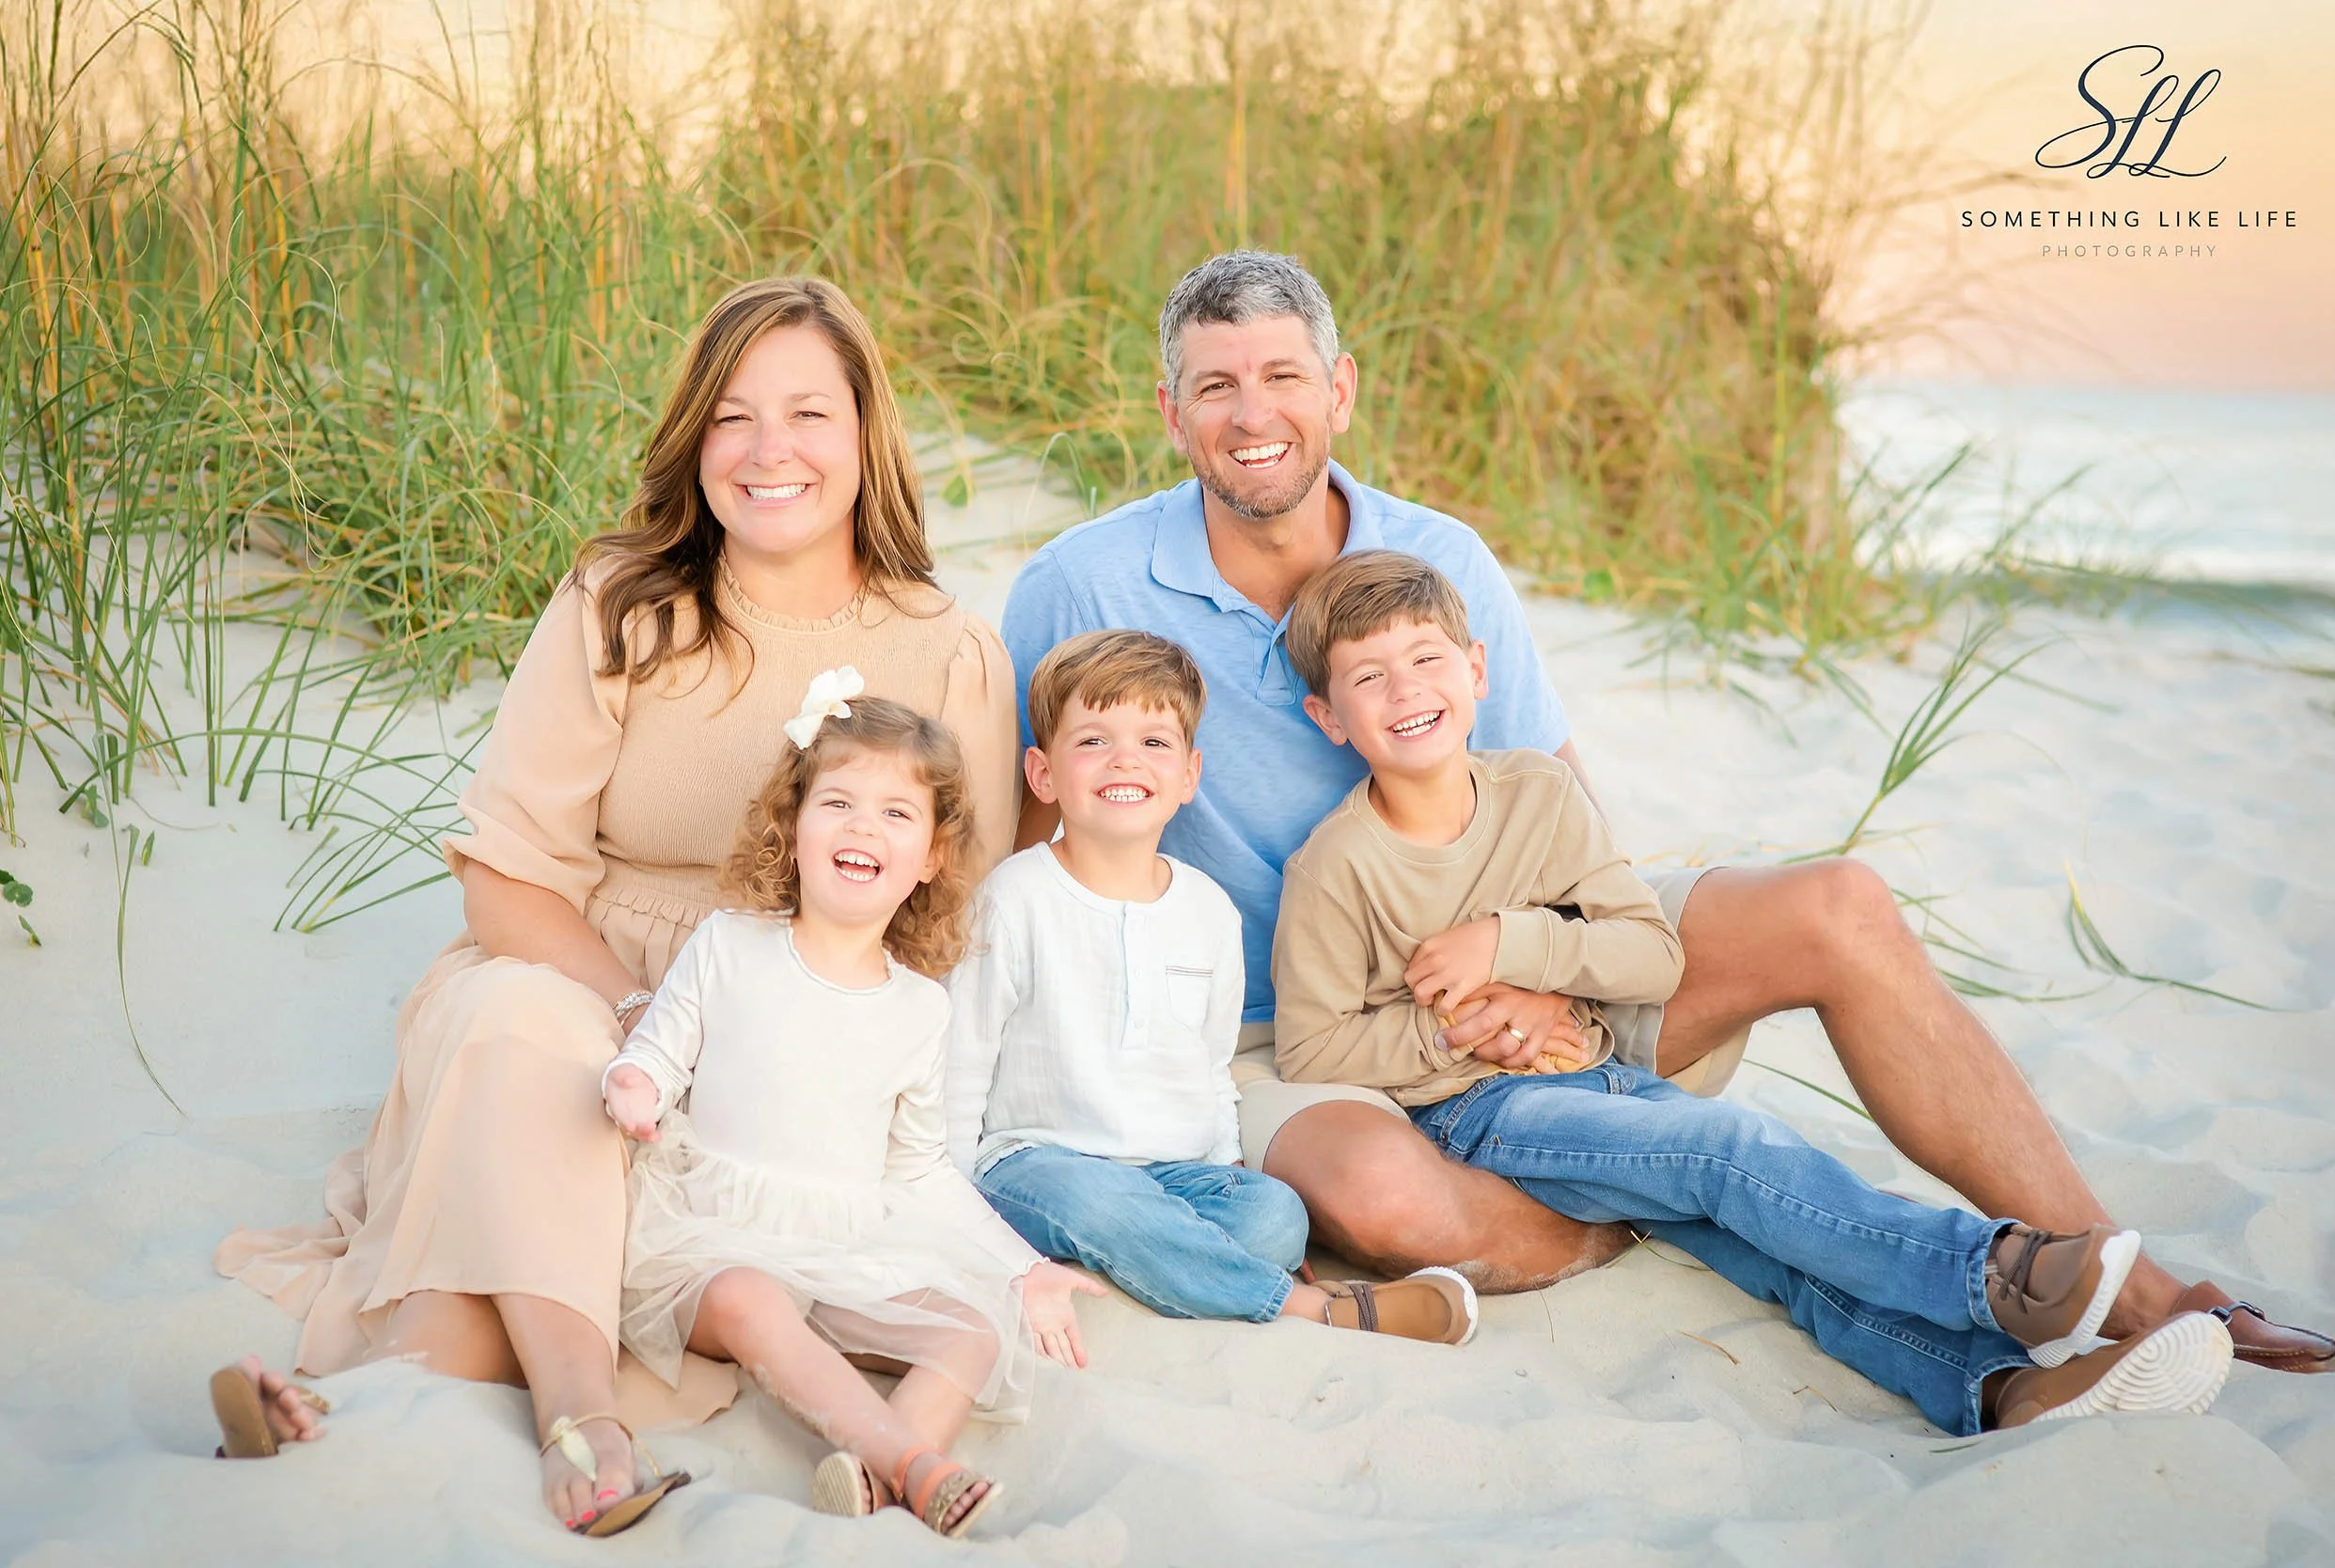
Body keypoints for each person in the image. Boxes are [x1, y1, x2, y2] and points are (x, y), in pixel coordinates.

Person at [996, 249, 2335, 1375]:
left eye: (1284, 375)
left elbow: (1563, 808)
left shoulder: (1440, 560)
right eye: (1216, 386)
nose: (1253, 412)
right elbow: (1021, 836)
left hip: (1533, 975)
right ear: (1172, 414)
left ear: (1338, 390)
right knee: (1392, 1201)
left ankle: (2136, 1280)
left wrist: (1544, 981)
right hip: (1295, 1040)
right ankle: (1633, 1210)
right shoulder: (1081, 582)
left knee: (1838, 905)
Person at [212, 275, 1030, 1534]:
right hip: (581, 976)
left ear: (867, 435)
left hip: (799, 1028)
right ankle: (587, 1425)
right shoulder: (623, 601)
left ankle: (338, 1409)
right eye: (732, 418)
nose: (770, 452)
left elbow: (950, 916)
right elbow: (507, 872)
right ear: (694, 438)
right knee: (529, 1041)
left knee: (549, 1264)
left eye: (809, 414)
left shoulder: (946, 648)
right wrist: (652, 1013)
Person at [1268, 550, 2237, 1433]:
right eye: (1367, 675)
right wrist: (1456, 1036)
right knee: (1726, 1148)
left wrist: (1512, 947)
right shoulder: (1338, 865)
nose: (1405, 690)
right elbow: (1312, 1049)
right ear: (1327, 716)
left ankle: (1995, 1387)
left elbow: (1648, 954)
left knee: (1764, 1242)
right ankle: (1992, 1271)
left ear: (1477, 670)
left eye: (1426, 659)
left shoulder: (1537, 793)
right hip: (1481, 1116)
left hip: (1598, 1074)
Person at [602, 682, 1101, 1539]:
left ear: (932, 859)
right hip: (713, 1236)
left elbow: (919, 1170)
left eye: (897, 815)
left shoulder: (919, 1009)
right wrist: (632, 1084)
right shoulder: (732, 944)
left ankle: (872, 1482)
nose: (864, 827)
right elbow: (661, 1045)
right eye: (838, 802)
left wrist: (1023, 1269)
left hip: (840, 1243)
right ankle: (918, 1467)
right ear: (793, 828)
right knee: (754, 1302)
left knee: (970, 1332)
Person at [943, 630, 1477, 1343]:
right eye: (1094, 741)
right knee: (1100, 1204)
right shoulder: (1014, 898)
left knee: (1276, 1218)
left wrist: (1225, 1161)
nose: (1126, 759)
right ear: (1043, 774)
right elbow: (963, 1060)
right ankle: (1309, 1309)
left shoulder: (1206, 911)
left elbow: (1208, 1064)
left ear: (1190, 775)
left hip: (1175, 1170)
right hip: (1041, 1162)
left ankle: (1158, 1263)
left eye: (1155, 743)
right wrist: (953, 1206)